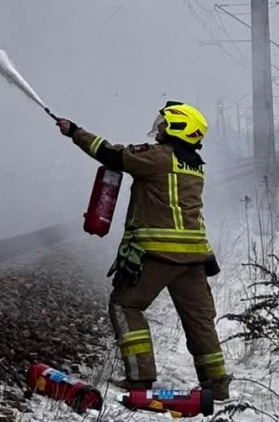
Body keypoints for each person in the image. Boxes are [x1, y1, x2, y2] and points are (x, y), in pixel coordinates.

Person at [55, 101, 231, 400]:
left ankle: (140, 377)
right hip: (194, 256)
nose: (158, 127)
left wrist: (74, 131)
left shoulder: (159, 157)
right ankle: (217, 385)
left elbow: (111, 154)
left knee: (125, 305)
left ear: (178, 128)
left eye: (164, 123)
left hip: (160, 253)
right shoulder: (195, 165)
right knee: (199, 320)